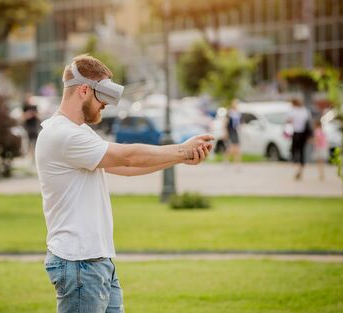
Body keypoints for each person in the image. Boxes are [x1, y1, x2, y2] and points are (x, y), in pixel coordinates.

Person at [35, 54, 214, 313]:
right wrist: (181, 150)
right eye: (102, 97)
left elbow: (125, 168)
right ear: (84, 89)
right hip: (79, 263)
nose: (106, 105)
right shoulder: (61, 134)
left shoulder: (79, 132)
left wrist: (180, 159)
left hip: (96, 260)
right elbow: (128, 156)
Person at [287, 99, 312, 180]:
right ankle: (301, 170)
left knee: (294, 151)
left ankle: (296, 168)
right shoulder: (305, 111)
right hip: (303, 134)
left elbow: (289, 120)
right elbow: (308, 122)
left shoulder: (293, 111)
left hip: (296, 133)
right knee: (302, 152)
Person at [21, 94, 41, 164]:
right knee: (28, 141)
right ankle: (28, 156)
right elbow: (22, 117)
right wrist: (28, 115)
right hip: (27, 127)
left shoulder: (34, 107)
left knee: (35, 141)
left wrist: (34, 114)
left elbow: (39, 116)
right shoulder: (25, 107)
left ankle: (34, 156)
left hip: (34, 126)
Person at [224, 99, 242, 167]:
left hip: (235, 130)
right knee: (231, 148)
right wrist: (225, 132)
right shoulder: (229, 112)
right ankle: (226, 160)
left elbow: (239, 122)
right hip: (230, 131)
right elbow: (225, 123)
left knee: (237, 147)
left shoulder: (237, 113)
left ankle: (237, 163)